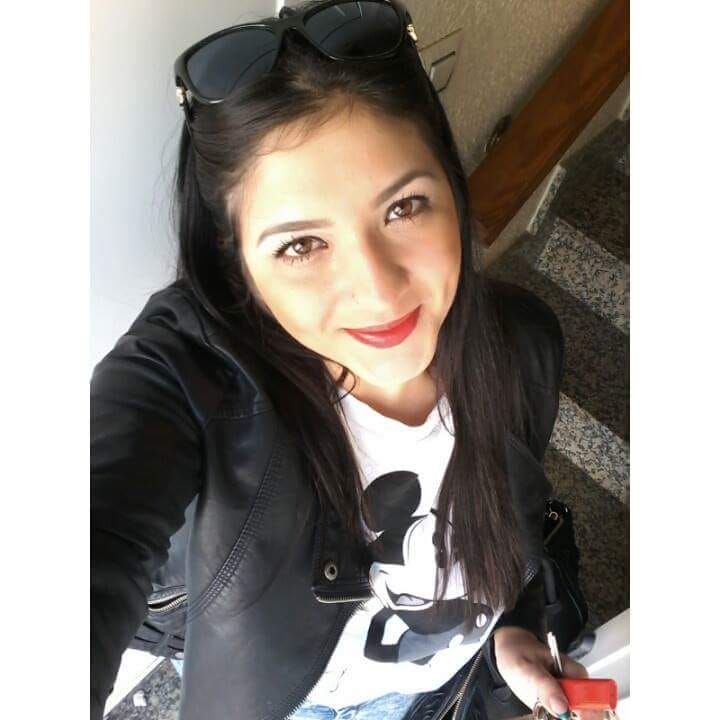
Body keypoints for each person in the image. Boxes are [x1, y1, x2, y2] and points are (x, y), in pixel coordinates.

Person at [90, 2, 590, 719]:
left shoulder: (523, 345)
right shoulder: (189, 385)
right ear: (235, 264)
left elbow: (508, 523)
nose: (379, 291)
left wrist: (512, 629)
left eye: (404, 207)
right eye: (301, 245)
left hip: (448, 685)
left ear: (452, 189)